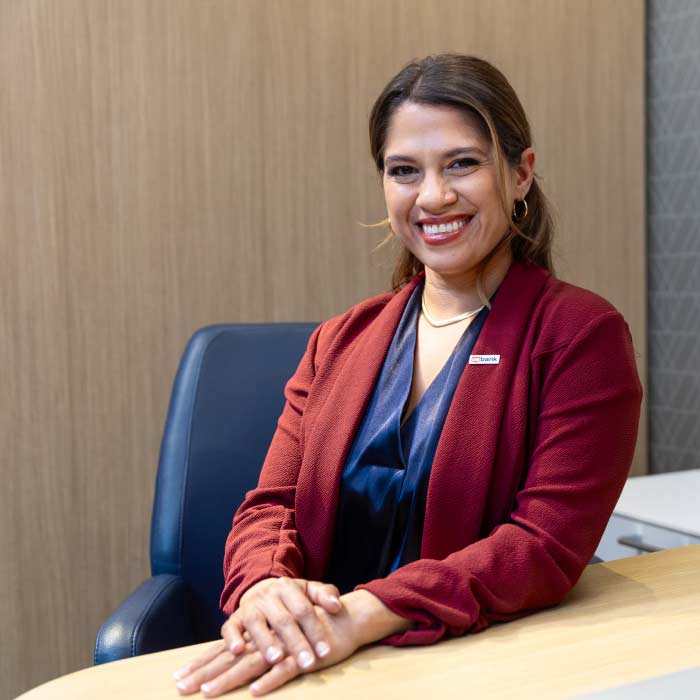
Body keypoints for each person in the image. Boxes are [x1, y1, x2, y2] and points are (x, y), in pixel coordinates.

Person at [174, 54, 642, 697]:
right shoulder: (339, 341)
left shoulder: (579, 336)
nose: (433, 196)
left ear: (521, 173)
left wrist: (362, 616)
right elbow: (270, 505)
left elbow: (544, 546)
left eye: (462, 163)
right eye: (404, 171)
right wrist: (265, 586)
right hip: (317, 661)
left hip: (479, 665)